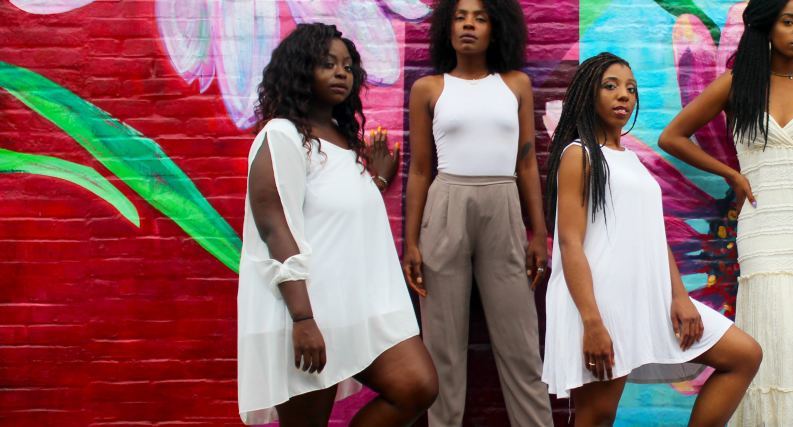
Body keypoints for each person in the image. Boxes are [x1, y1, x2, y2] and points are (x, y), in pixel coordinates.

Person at [657, 0, 793, 424]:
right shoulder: (737, 84)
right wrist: (730, 173)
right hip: (763, 223)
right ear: (766, 28)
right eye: (789, 22)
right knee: (774, 330)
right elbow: (672, 137)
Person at [542, 52, 762, 427]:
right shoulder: (579, 155)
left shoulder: (630, 159)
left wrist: (679, 296)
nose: (623, 95)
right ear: (587, 94)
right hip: (601, 301)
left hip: (649, 298)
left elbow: (653, 237)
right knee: (597, 416)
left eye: (631, 89)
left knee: (744, 355)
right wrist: (592, 321)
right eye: (610, 86)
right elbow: (570, 244)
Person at [237, 23, 437, 425]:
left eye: (347, 66)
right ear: (300, 71)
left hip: (352, 307)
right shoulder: (282, 136)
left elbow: (336, 214)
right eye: (327, 64)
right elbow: (276, 227)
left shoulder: (341, 141)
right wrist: (303, 320)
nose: (341, 73)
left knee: (417, 386)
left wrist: (376, 181)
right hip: (305, 309)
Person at [400, 0, 554, 425]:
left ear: (495, 28)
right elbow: (419, 170)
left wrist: (539, 233)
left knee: (521, 343)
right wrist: (410, 243)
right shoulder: (429, 89)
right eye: (460, 17)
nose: (469, 25)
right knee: (442, 347)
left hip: (503, 204)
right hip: (445, 204)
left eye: (480, 18)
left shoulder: (515, 85)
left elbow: (527, 162)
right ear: (447, 28)